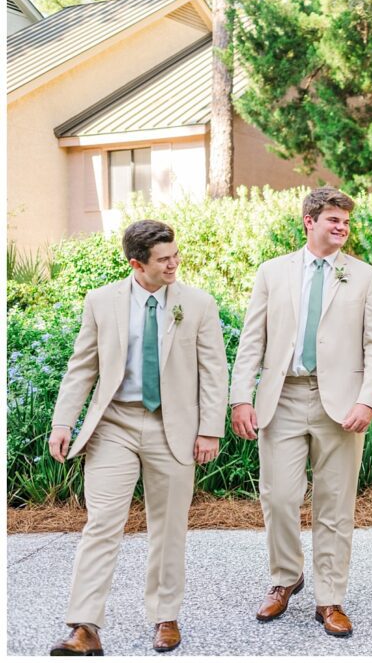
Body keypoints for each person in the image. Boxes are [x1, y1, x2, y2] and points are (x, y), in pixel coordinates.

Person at [48, 220, 228, 655]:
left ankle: (165, 617)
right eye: (164, 259)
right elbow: (82, 366)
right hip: (114, 425)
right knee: (102, 523)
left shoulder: (198, 304)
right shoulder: (102, 301)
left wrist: (209, 430)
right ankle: (84, 625)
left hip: (175, 427)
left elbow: (214, 371)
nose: (174, 264)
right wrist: (62, 421)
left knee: (168, 529)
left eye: (175, 255)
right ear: (136, 263)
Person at [230, 188, 372, 637]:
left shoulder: (364, 277)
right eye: (333, 220)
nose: (341, 228)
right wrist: (241, 396)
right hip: (282, 398)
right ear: (309, 222)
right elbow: (251, 342)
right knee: (278, 497)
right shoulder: (272, 273)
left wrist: (368, 399)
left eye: (346, 222)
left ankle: (330, 598)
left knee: (335, 505)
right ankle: (285, 578)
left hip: (340, 405)